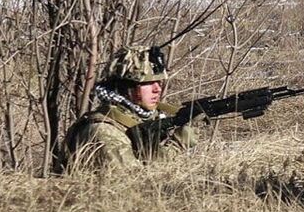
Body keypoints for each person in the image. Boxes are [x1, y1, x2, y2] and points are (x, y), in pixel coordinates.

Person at [61, 45, 205, 171]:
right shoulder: (104, 131)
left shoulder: (143, 120)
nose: (157, 89)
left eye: (159, 82)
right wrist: (177, 146)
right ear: (126, 87)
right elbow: (138, 185)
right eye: (148, 83)